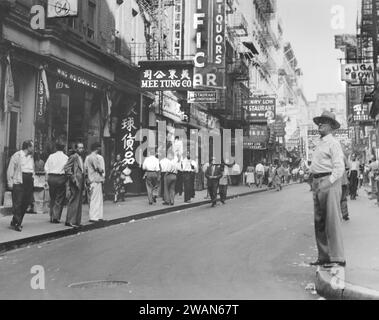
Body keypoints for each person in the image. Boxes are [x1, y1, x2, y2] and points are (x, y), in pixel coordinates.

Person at [310, 111, 346, 268]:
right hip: (317, 181)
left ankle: (337, 257)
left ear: (331, 126)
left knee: (331, 220)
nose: (320, 124)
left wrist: (328, 182)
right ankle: (324, 256)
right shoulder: (320, 142)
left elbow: (339, 167)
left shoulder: (333, 143)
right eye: (320, 121)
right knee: (320, 221)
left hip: (328, 181)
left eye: (324, 122)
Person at [7, 140, 35, 232]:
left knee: (26, 202)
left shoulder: (31, 157)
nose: (33, 148)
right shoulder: (17, 156)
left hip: (28, 180)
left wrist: (33, 178)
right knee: (18, 203)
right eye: (32, 146)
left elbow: (32, 169)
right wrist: (10, 182)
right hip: (19, 180)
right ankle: (18, 223)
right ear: (28, 147)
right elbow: (11, 169)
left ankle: (15, 220)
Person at [45, 143, 68, 223]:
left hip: (51, 177)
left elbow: (46, 167)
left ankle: (51, 215)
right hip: (60, 178)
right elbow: (67, 169)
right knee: (59, 198)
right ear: (64, 148)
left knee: (52, 197)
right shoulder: (65, 157)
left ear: (56, 148)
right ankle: (56, 216)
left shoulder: (51, 156)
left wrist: (48, 176)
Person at [64, 142, 85, 228]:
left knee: (79, 202)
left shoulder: (81, 158)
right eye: (80, 148)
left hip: (81, 182)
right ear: (76, 149)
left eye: (82, 148)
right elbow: (67, 168)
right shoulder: (73, 157)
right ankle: (69, 221)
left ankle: (76, 221)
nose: (81, 149)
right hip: (75, 182)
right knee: (73, 201)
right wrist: (73, 178)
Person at [85, 143, 105, 223]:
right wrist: (102, 170)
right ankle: (94, 217)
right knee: (95, 199)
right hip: (95, 180)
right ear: (97, 148)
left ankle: (98, 216)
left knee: (96, 199)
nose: (100, 149)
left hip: (93, 179)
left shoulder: (89, 157)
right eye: (99, 147)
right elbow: (99, 169)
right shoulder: (94, 157)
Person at [341, 157, 350, 221]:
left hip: (334, 183)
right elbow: (348, 166)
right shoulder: (342, 156)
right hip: (343, 182)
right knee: (343, 199)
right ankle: (345, 215)